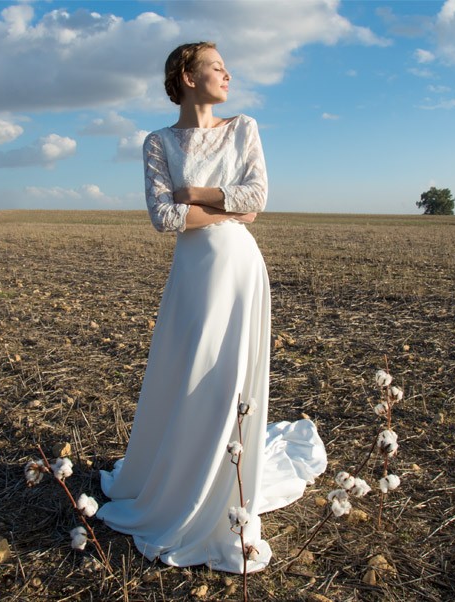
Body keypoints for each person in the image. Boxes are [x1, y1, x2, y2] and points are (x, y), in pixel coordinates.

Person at [96, 41, 327, 574]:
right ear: (187, 75)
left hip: (241, 270)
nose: (228, 74)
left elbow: (257, 198)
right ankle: (179, 481)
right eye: (217, 66)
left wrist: (194, 192)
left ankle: (224, 487)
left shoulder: (243, 127)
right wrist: (220, 206)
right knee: (189, 372)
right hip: (194, 276)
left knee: (229, 381)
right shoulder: (158, 142)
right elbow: (164, 218)